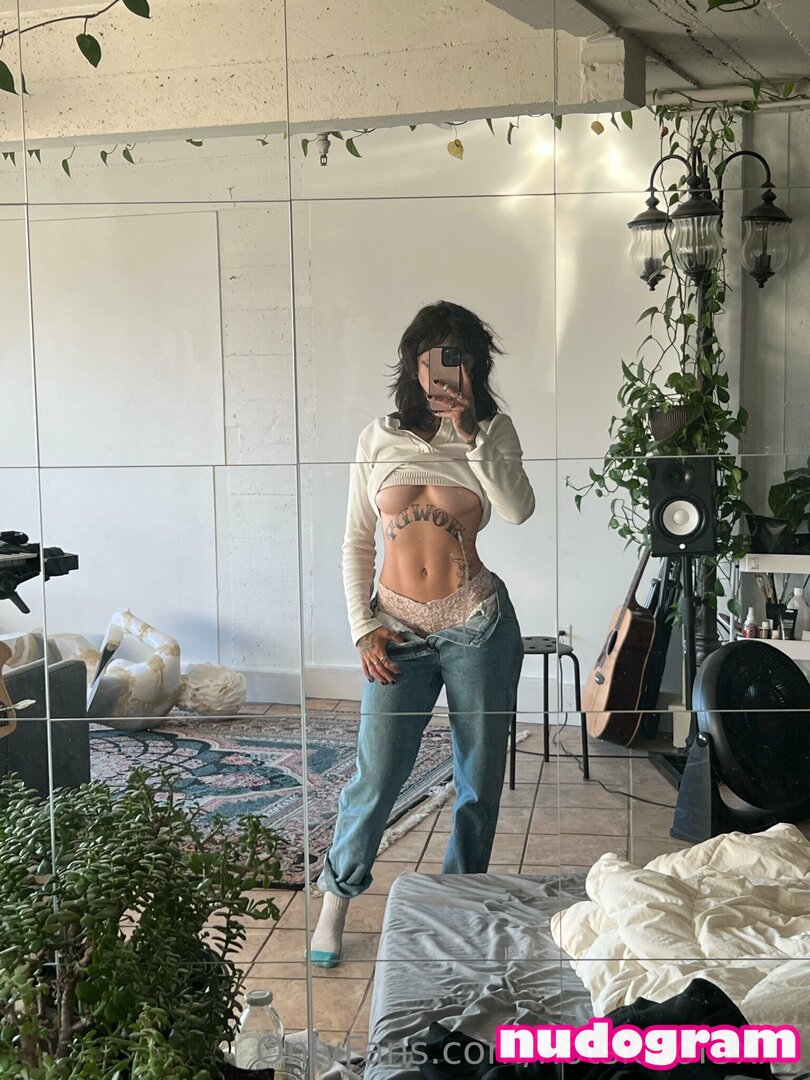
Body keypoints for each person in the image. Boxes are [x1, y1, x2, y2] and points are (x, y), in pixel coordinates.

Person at [308, 300, 535, 968]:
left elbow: (518, 510)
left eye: (458, 357)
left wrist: (471, 434)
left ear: (475, 367)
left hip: (477, 624)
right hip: (396, 628)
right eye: (433, 356)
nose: (444, 370)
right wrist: (362, 627)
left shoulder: (493, 432)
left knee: (478, 781)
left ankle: (455, 905)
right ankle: (336, 902)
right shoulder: (378, 437)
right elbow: (357, 541)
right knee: (376, 776)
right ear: (413, 363)